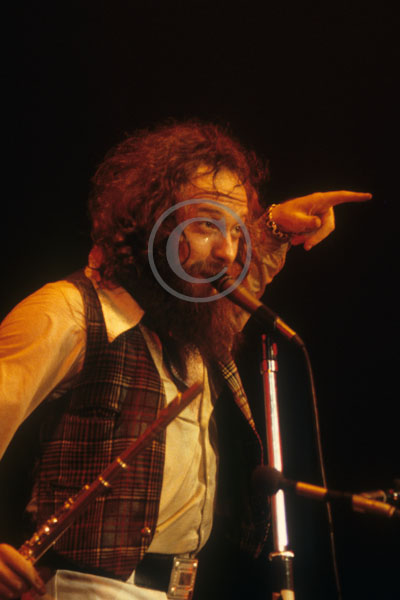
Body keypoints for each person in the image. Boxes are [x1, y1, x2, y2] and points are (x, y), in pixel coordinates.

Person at [0, 120, 371, 599]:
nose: (228, 251)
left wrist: (275, 227)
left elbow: (241, 276)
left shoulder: (190, 325)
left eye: (236, 231)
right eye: (206, 224)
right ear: (150, 223)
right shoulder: (71, 312)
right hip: (85, 588)